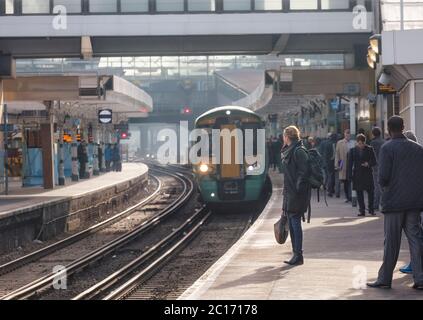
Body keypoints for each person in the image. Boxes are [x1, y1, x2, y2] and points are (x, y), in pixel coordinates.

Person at [367, 116, 423, 290]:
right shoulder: (418, 148)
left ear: (389, 130)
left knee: (391, 241)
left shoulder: (387, 148)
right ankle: (420, 278)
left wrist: (385, 189)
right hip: (414, 201)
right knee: (415, 239)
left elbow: (382, 177)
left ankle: (385, 279)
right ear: (403, 127)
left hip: (394, 202)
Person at [280, 126, 310, 266]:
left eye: (284, 136)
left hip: (297, 194)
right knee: (292, 224)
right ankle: (295, 253)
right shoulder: (289, 151)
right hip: (290, 193)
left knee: (295, 223)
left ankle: (298, 255)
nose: (283, 139)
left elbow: (304, 173)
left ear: (287, 137)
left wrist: (297, 189)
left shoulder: (298, 151)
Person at [399, 130, 421, 275]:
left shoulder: (408, 157)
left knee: (414, 234)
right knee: (416, 233)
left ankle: (415, 264)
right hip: (417, 200)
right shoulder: (418, 154)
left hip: (411, 201)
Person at [347, 134, 377, 216]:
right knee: (359, 193)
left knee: (371, 192)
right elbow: (349, 164)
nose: (361, 145)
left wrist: (368, 164)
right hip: (357, 174)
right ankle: (362, 210)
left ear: (365, 142)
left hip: (367, 174)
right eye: (359, 143)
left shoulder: (370, 149)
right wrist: (349, 175)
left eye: (362, 143)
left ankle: (371, 209)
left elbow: (374, 161)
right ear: (357, 143)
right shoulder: (353, 150)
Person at [335, 129, 353, 202]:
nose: (348, 135)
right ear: (344, 134)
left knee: (351, 181)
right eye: (346, 134)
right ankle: (347, 196)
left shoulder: (353, 142)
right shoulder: (340, 143)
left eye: (349, 134)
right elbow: (337, 154)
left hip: (352, 165)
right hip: (343, 164)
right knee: (345, 181)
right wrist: (338, 165)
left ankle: (351, 196)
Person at [370, 127, 385, 212]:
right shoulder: (384, 142)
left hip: (375, 166)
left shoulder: (373, 143)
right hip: (384, 165)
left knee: (377, 186)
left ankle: (376, 205)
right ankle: (383, 203)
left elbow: (371, 154)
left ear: (373, 134)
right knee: (383, 186)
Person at [323, 133, 337, 197]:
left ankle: (330, 190)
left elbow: (325, 154)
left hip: (328, 162)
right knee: (333, 176)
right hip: (334, 162)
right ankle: (332, 190)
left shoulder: (327, 143)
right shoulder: (336, 143)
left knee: (329, 176)